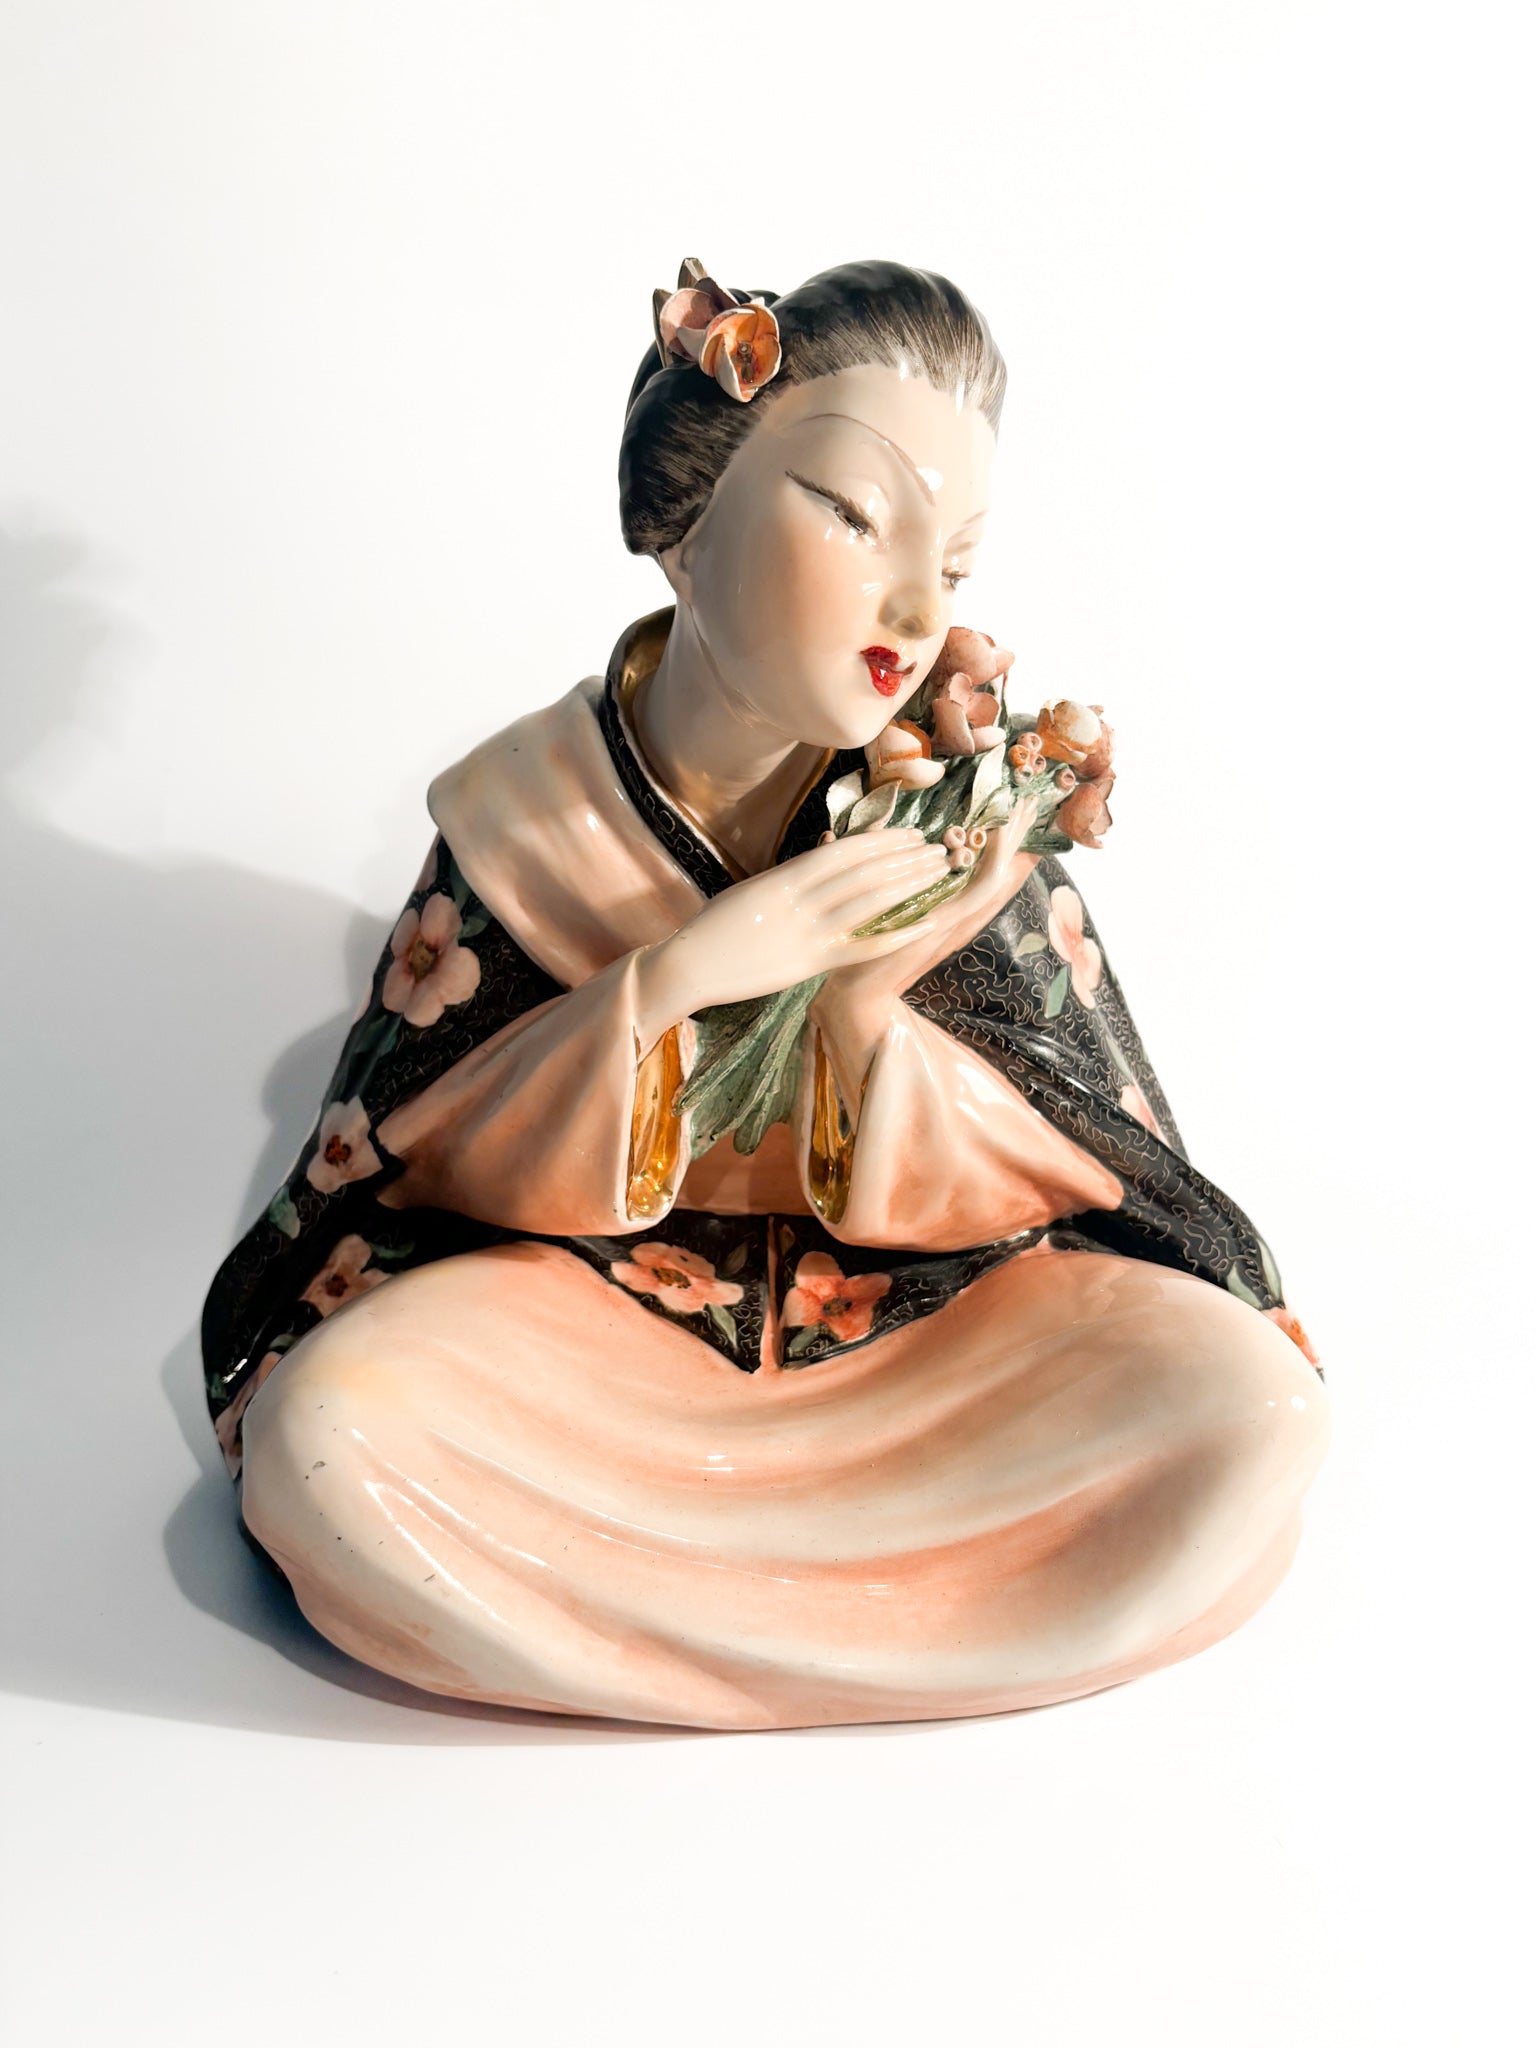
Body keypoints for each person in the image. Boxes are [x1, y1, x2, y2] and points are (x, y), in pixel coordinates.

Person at [202, 259, 1328, 1730]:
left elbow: (1108, 1168)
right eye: (855, 516)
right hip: (587, 1341)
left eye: (957, 564)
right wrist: (676, 983)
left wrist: (865, 1017)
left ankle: (620, 1628)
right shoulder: (526, 816)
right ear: (687, 520)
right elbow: (387, 1171)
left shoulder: (953, 818)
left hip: (932, 1346)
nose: (913, 604)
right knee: (333, 1435)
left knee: (1247, 1408)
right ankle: (950, 1622)